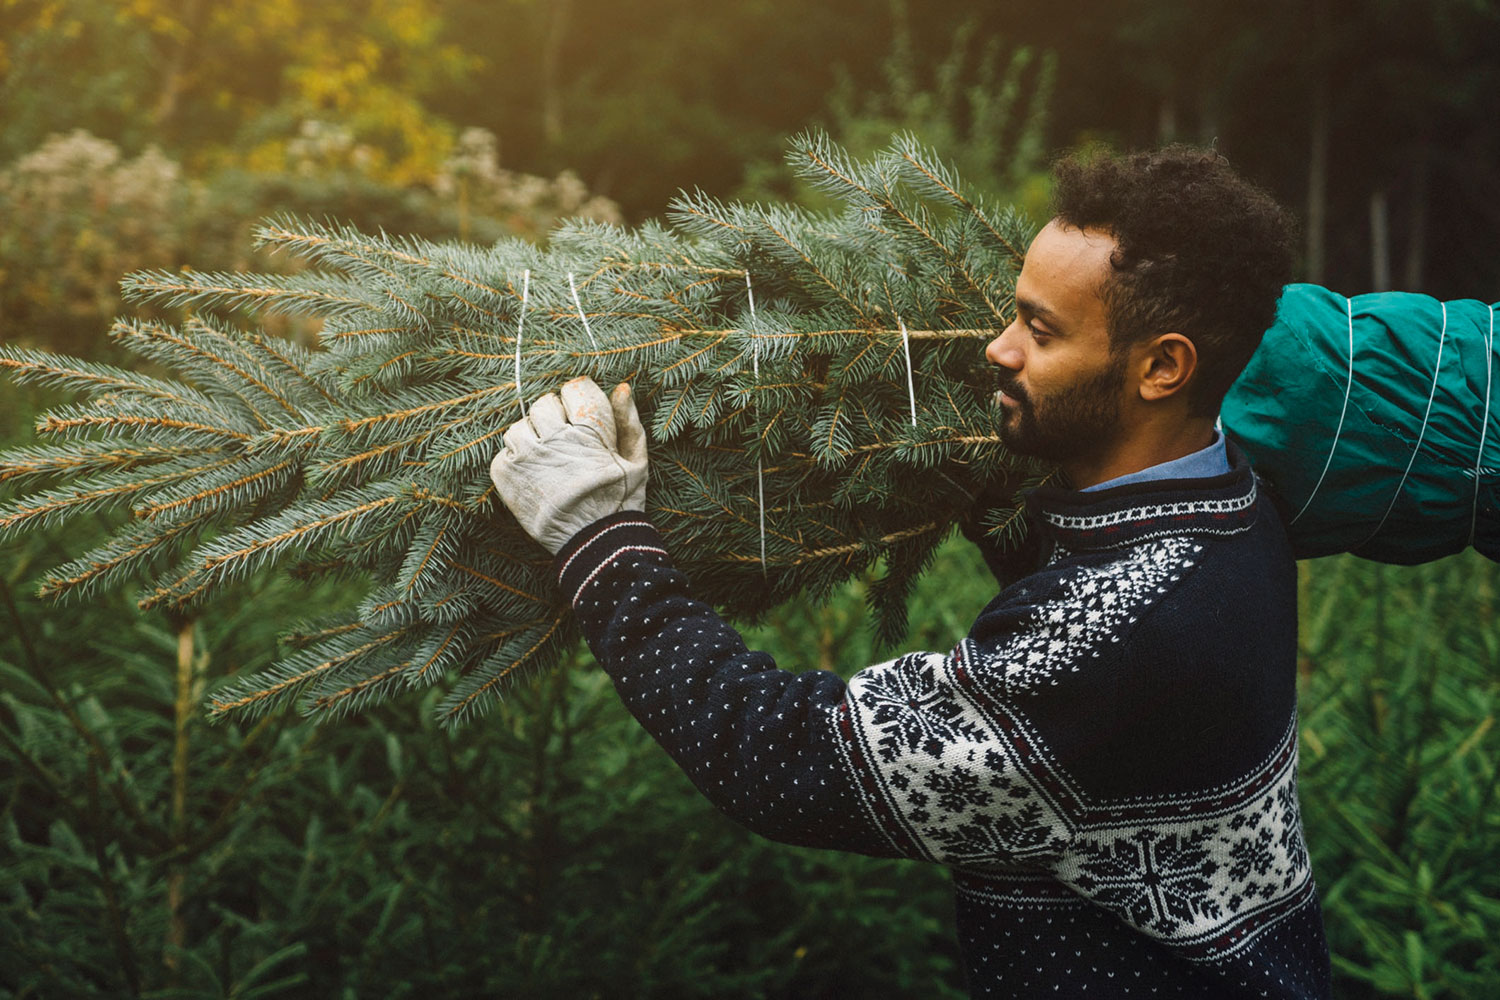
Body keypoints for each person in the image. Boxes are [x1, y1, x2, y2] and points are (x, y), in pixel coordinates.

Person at [489, 146, 1332, 998]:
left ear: (1162, 367)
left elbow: (783, 758)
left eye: (1041, 333)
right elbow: (1074, 560)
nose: (997, 349)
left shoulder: (1117, 643)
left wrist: (596, 531)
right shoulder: (1235, 510)